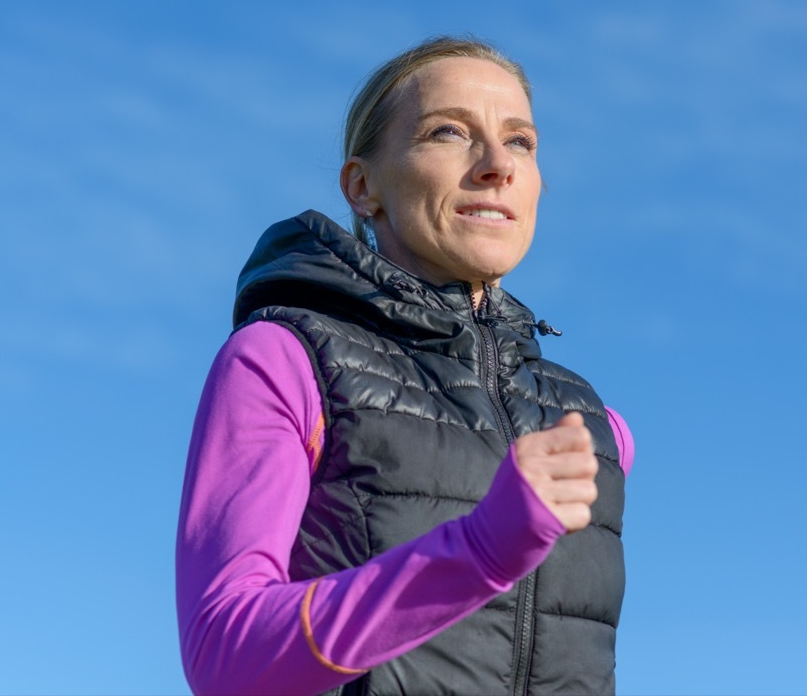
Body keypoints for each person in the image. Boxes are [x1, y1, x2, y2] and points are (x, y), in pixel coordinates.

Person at [176, 37, 633, 696]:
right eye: (449, 131)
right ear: (363, 187)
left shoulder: (597, 428)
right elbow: (224, 656)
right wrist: (476, 551)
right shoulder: (285, 360)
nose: (497, 164)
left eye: (521, 141)